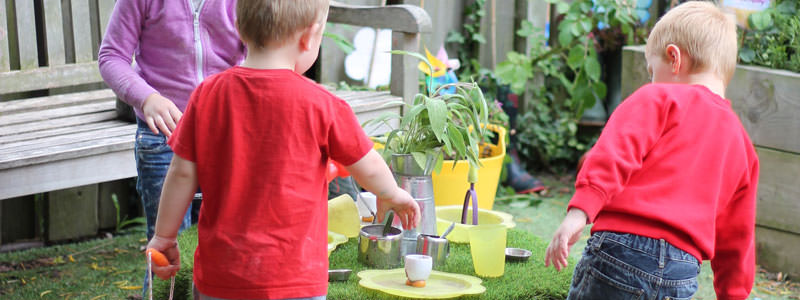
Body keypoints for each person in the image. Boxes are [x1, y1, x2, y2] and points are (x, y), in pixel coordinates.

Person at [146, 0, 421, 299]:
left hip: (222, 277)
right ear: (310, 36)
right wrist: (391, 193)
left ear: (238, 28)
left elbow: (182, 173)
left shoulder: (207, 95)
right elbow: (366, 164)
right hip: (296, 280)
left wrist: (164, 235)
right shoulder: (323, 105)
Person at [544, 2, 759, 300]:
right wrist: (733, 294)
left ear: (674, 58)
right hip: (681, 272)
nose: (651, 80)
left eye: (651, 70)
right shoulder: (742, 144)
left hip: (620, 252)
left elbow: (614, 153)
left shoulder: (657, 97)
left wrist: (579, 213)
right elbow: (738, 234)